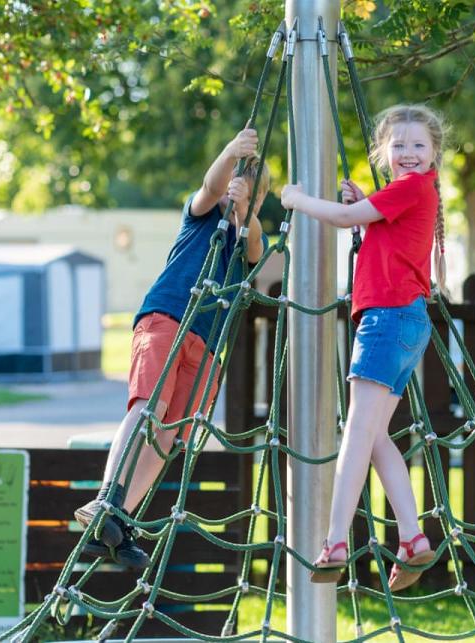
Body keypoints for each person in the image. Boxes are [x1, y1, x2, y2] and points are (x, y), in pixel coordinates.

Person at [75, 128, 270, 568]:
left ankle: (119, 518)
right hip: (167, 318)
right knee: (149, 407)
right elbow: (209, 187)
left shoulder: (248, 241)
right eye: (236, 187)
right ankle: (108, 498)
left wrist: (247, 211)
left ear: (259, 203)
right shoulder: (201, 216)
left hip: (206, 346)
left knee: (170, 434)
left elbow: (255, 241)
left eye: (253, 195)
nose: (238, 197)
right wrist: (230, 153)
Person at [279, 104, 447, 592]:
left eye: (418, 145)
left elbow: (344, 216)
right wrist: (365, 212)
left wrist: (297, 199)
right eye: (399, 146)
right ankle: (413, 539)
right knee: (374, 438)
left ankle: (334, 540)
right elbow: (373, 228)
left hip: (388, 318)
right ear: (384, 151)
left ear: (435, 152)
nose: (408, 154)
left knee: (354, 432)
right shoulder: (408, 194)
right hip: (405, 320)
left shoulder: (412, 187)